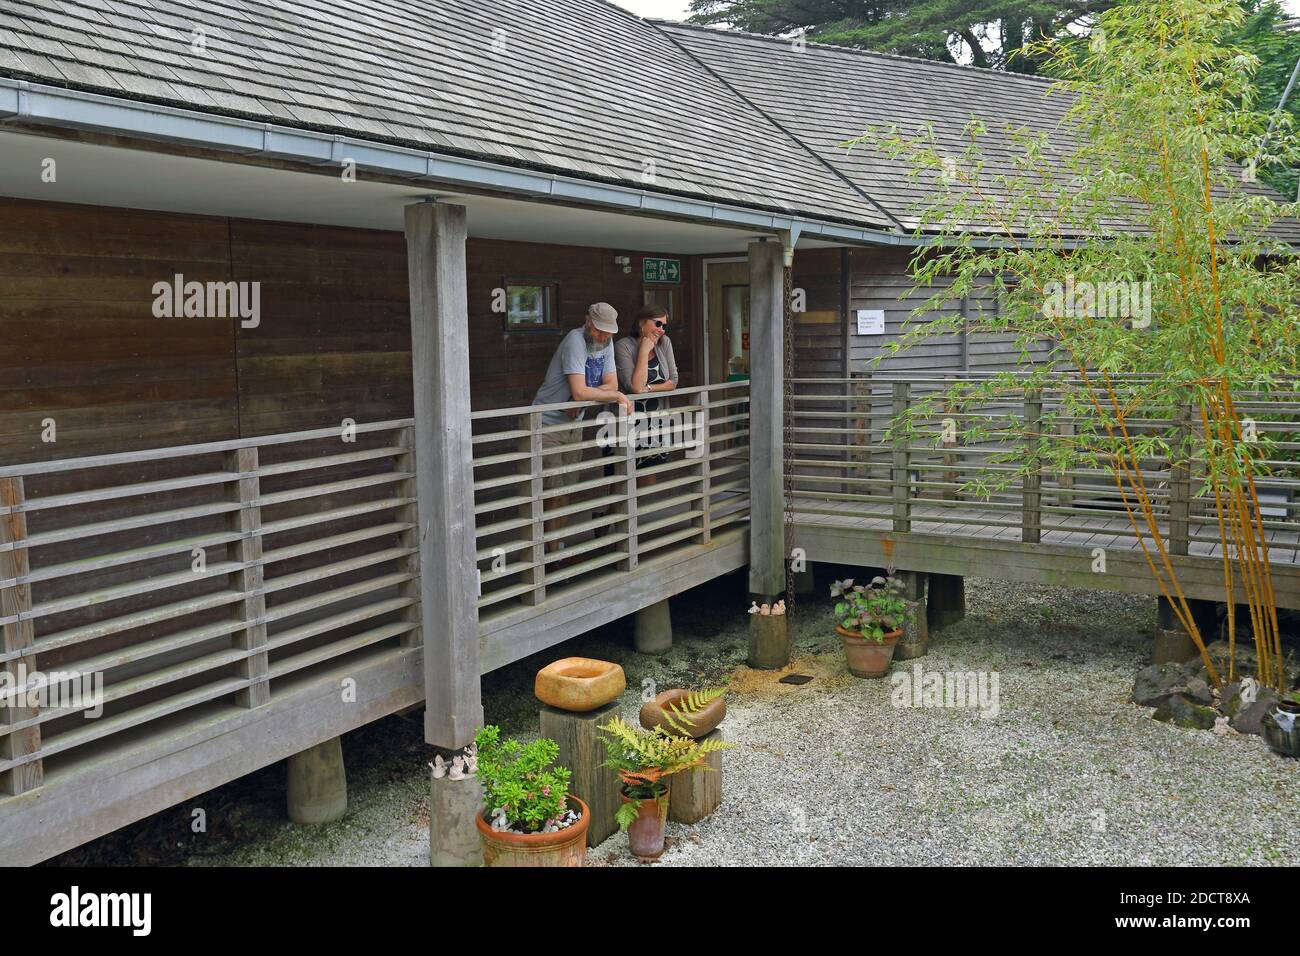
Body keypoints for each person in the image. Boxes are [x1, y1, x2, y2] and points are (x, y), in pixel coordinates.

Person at [532, 303, 633, 551]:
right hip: (547, 424)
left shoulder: (607, 343)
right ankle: (548, 553)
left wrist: (588, 397)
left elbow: (610, 383)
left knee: (568, 487)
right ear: (588, 321)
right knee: (551, 491)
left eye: (608, 332)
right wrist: (614, 396)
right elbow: (581, 391)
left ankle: (554, 547)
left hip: (573, 424)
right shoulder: (574, 341)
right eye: (599, 330)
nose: (603, 336)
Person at [614, 304, 679, 486]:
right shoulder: (623, 346)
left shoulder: (665, 343)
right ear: (641, 323)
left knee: (648, 479)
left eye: (664, 326)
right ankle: (611, 514)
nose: (661, 330)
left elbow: (673, 381)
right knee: (622, 479)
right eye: (658, 324)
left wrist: (649, 389)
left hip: (655, 421)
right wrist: (643, 350)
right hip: (628, 422)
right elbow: (634, 386)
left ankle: (634, 515)